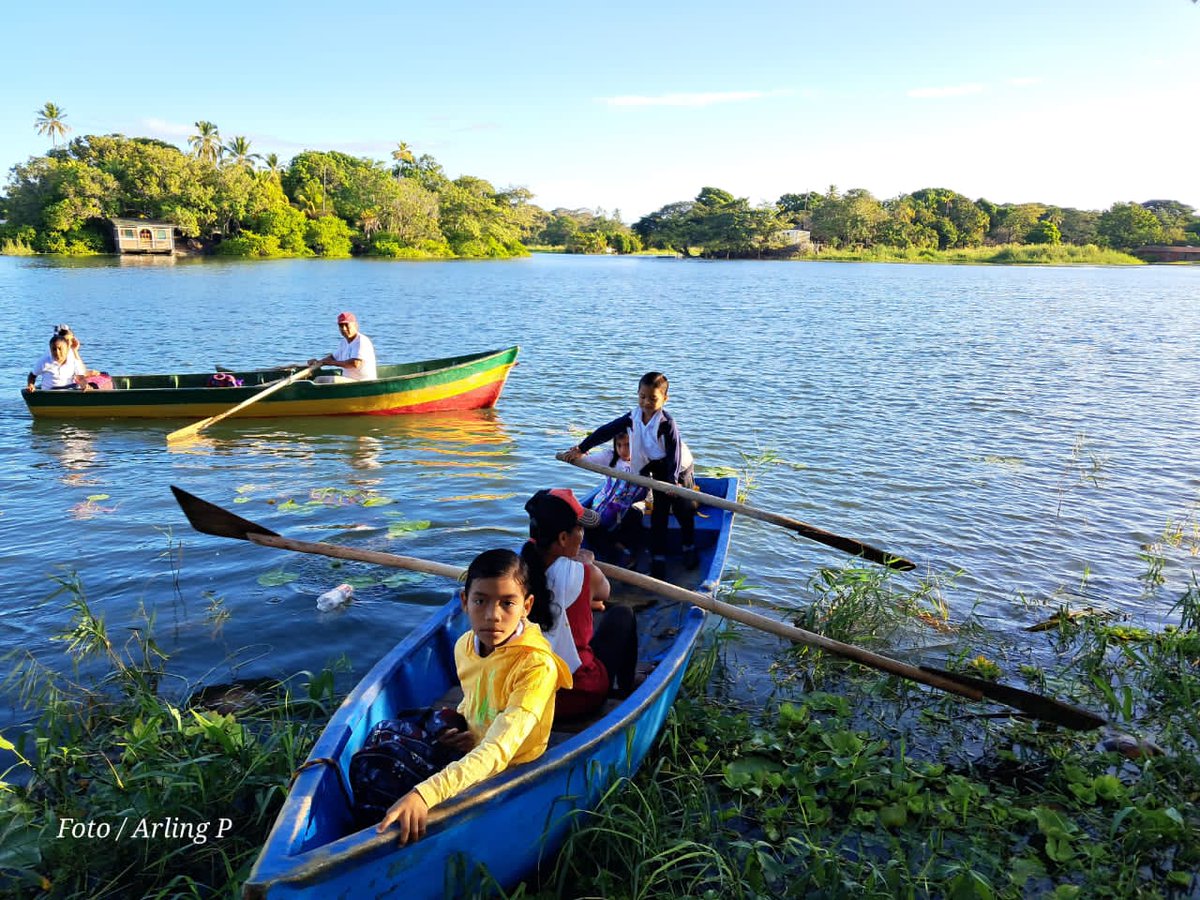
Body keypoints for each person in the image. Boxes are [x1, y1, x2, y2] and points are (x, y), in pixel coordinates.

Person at [376, 548, 571, 845]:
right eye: (481, 601)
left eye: (508, 603)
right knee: (382, 738)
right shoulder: (466, 644)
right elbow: (473, 698)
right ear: (465, 602)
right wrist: (463, 730)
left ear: (527, 606)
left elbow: (499, 750)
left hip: (513, 764)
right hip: (474, 746)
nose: (493, 616)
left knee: (400, 778)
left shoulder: (536, 666)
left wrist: (425, 794)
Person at [563, 371, 697, 579]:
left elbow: (674, 455)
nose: (646, 402)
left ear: (664, 399)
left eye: (653, 398)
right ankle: (658, 558)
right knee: (659, 514)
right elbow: (606, 431)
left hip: (678, 469)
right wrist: (581, 448)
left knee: (682, 508)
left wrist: (671, 483)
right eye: (642, 397)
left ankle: (689, 546)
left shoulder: (666, 423)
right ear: (637, 395)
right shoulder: (632, 418)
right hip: (655, 465)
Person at [521, 488, 639, 720]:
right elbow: (604, 592)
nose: (583, 534)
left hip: (527, 700)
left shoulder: (513, 572)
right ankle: (627, 688)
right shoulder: (586, 573)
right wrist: (587, 563)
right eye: (580, 529)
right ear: (563, 538)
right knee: (623, 614)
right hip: (579, 697)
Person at [585, 432, 648, 567]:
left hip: (620, 512)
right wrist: (578, 451)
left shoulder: (644, 465)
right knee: (588, 527)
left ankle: (623, 554)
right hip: (599, 505)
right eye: (619, 445)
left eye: (627, 445)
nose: (623, 450)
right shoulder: (610, 457)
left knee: (631, 520)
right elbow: (585, 460)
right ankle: (618, 552)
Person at [309, 311, 377, 381]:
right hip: (348, 380)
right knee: (317, 379)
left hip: (362, 381)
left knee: (324, 380)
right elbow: (333, 358)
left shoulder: (361, 341)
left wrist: (331, 363)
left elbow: (355, 363)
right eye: (341, 325)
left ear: (356, 325)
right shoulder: (344, 342)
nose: (344, 328)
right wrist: (317, 362)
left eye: (346, 324)